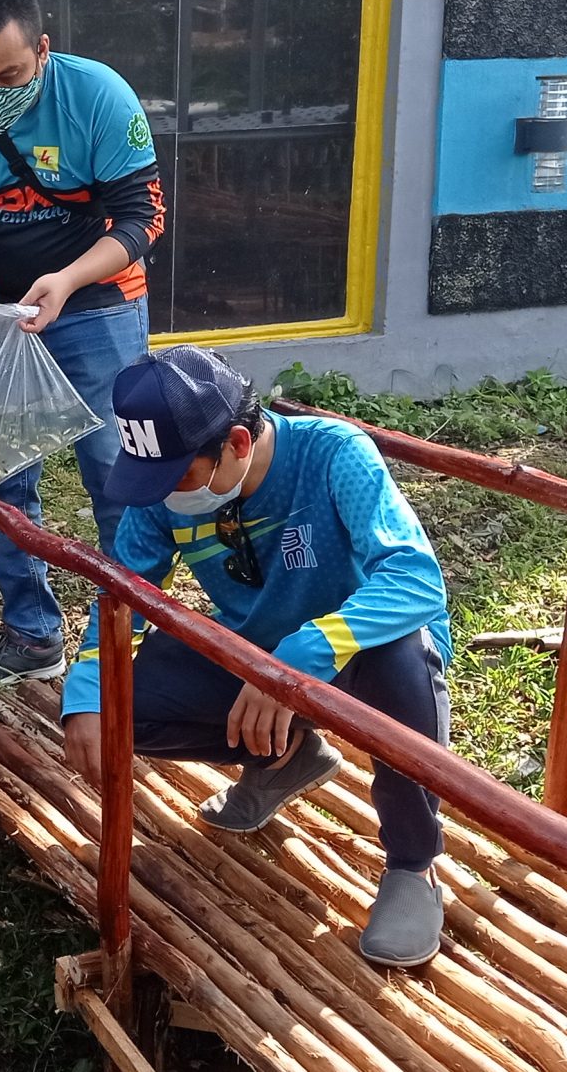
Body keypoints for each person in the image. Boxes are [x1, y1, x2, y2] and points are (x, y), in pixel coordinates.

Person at [59, 347, 454, 967]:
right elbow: (123, 595)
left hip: (357, 653)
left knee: (403, 650)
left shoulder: (333, 455)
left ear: (237, 443)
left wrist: (298, 659)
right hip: (257, 654)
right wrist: (86, 691)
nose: (163, 495)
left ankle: (413, 862)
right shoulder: (162, 493)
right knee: (120, 702)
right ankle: (286, 756)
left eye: (180, 476)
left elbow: (415, 580)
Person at [0, 0, 167, 689]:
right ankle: (31, 632)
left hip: (101, 305)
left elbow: (142, 220)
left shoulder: (98, 96)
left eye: (9, 75)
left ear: (42, 51)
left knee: (118, 475)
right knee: (2, 478)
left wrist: (71, 278)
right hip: (0, 316)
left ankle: (128, 633)